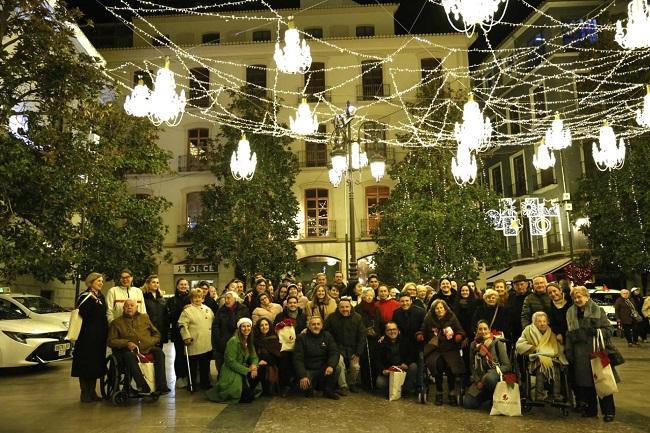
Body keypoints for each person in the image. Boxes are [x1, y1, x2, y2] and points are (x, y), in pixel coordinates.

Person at [565, 286, 618, 422]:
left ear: (587, 297)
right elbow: (569, 334)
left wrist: (596, 331)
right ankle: (591, 410)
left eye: (580, 297)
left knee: (602, 380)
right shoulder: (570, 313)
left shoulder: (598, 310)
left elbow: (609, 330)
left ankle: (608, 411)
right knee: (586, 384)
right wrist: (569, 350)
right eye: (575, 297)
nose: (577, 300)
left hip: (597, 350)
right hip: (580, 353)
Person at [107, 299, 170, 395]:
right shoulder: (117, 322)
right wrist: (126, 343)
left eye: (132, 305)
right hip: (129, 352)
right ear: (123, 308)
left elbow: (156, 334)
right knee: (129, 356)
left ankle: (161, 386)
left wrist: (149, 342)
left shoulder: (144, 317)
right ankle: (143, 386)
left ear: (136, 307)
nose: (129, 307)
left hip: (147, 349)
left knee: (159, 352)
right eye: (127, 306)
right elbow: (111, 341)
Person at [417, 299, 466, 406]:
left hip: (450, 349)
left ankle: (452, 391)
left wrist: (459, 336)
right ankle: (439, 391)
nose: (439, 310)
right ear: (433, 310)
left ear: (445, 308)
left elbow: (460, 330)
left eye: (441, 308)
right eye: (436, 308)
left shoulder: (452, 317)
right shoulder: (429, 318)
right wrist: (420, 335)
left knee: (450, 366)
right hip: (434, 349)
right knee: (438, 364)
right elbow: (422, 329)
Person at [71, 272, 109, 403]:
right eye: (98, 281)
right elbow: (83, 313)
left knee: (96, 365)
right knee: (85, 364)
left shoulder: (101, 297)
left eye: (102, 281)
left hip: (99, 337)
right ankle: (85, 392)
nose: (101, 283)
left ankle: (93, 392)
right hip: (86, 337)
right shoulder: (84, 297)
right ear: (91, 282)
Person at [206, 318, 262, 403]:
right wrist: (247, 370)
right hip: (232, 371)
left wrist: (254, 365)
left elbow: (254, 356)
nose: (246, 328)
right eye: (243, 326)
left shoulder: (249, 340)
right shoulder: (234, 341)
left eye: (248, 326)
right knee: (244, 398)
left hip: (243, 368)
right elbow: (230, 361)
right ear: (239, 328)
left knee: (261, 371)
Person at [516, 311, 568, 402]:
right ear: (534, 322)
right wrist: (533, 349)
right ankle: (539, 395)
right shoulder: (528, 331)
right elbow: (519, 345)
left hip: (551, 358)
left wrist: (557, 353)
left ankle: (556, 395)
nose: (542, 324)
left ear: (547, 322)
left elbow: (557, 346)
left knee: (556, 368)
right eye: (539, 321)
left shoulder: (551, 331)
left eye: (544, 321)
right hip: (535, 359)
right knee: (541, 367)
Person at [463, 320, 511, 410]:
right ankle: (488, 398)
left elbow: (507, 366)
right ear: (477, 331)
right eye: (480, 329)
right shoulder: (473, 345)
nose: (483, 331)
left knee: (489, 379)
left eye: (485, 329)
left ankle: (495, 398)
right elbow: (472, 366)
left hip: (494, 377)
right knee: (468, 403)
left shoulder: (497, 343)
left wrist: (486, 377)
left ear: (489, 330)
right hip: (480, 379)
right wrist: (477, 381)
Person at [325, 297, 366, 394]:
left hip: (353, 349)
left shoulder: (357, 317)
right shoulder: (331, 318)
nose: (345, 309)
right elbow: (326, 334)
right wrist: (332, 349)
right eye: (342, 307)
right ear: (338, 308)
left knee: (355, 366)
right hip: (337, 349)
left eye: (347, 307)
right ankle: (343, 386)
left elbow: (362, 337)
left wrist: (358, 353)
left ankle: (352, 383)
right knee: (339, 364)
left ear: (350, 307)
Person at [293, 316, 340, 400]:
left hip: (323, 368)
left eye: (318, 324)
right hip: (308, 369)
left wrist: (331, 365)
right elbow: (297, 359)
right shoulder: (301, 338)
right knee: (307, 392)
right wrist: (302, 375)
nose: (316, 326)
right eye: (313, 324)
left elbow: (334, 352)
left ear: (322, 325)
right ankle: (311, 388)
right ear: (309, 326)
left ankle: (328, 390)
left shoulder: (327, 336)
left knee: (337, 368)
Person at [178, 288, 214, 391]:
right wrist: (186, 337)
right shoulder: (187, 310)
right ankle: (192, 383)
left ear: (203, 298)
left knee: (205, 366)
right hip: (194, 342)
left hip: (207, 342)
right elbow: (182, 324)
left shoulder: (208, 309)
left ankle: (205, 383)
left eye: (199, 297)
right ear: (191, 299)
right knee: (192, 367)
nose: (197, 299)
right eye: (195, 297)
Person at [274, 295, 307, 396]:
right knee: (284, 361)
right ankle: (285, 386)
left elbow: (306, 328)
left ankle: (299, 384)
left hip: (300, 344)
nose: (292, 304)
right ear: (287, 304)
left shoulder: (303, 315)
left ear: (297, 304)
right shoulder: (280, 316)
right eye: (290, 303)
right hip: (285, 346)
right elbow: (275, 328)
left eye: (294, 302)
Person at [375, 322, 418, 397]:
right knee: (380, 383)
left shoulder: (405, 341)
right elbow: (376, 360)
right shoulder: (380, 344)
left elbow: (412, 354)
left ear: (398, 331)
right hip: (389, 371)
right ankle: (393, 389)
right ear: (385, 332)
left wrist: (406, 363)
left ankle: (406, 390)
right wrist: (383, 370)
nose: (392, 332)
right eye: (389, 330)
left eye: (394, 329)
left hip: (403, 369)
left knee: (413, 366)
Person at [213, 291, 250, 372]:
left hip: (239, 341)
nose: (226, 300)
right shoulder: (221, 311)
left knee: (237, 365)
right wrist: (219, 340)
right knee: (223, 368)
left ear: (235, 299)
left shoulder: (243, 309)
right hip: (223, 342)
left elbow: (247, 325)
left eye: (229, 298)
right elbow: (215, 326)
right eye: (225, 298)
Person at [167, 278, 191, 388]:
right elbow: (172, 315)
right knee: (180, 355)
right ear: (177, 286)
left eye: (185, 284)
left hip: (191, 331)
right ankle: (180, 377)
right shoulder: (172, 300)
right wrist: (183, 309)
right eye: (181, 284)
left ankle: (189, 376)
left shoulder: (191, 298)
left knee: (190, 355)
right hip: (177, 332)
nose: (183, 286)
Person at [392, 291, 425, 366]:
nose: (405, 303)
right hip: (402, 344)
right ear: (399, 302)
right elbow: (394, 327)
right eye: (402, 301)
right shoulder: (396, 313)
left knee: (419, 363)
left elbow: (424, 326)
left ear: (411, 301)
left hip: (418, 343)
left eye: (407, 301)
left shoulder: (420, 312)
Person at [253, 318, 282, 395]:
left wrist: (266, 361)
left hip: (270, 364)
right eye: (261, 325)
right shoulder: (254, 339)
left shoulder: (274, 338)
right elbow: (253, 353)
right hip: (257, 363)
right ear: (258, 327)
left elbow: (277, 355)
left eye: (266, 324)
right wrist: (258, 361)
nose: (264, 327)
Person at [142, 274, 168, 347]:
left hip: (160, 330)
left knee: (159, 353)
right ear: (148, 283)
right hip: (148, 330)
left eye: (157, 282)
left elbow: (165, 315)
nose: (156, 284)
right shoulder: (143, 297)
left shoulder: (161, 299)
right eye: (153, 282)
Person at [506, 274, 530, 341]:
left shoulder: (531, 297)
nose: (519, 287)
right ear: (513, 286)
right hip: (515, 331)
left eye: (522, 284)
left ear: (527, 284)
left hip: (528, 330)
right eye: (517, 285)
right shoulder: (511, 297)